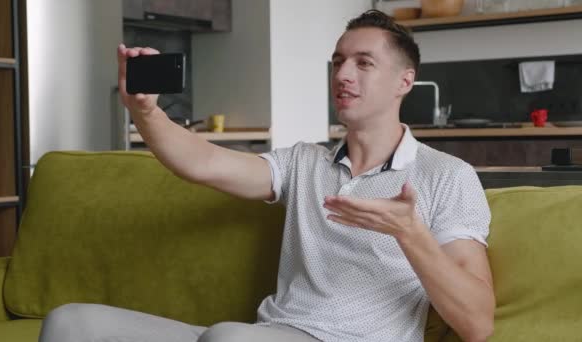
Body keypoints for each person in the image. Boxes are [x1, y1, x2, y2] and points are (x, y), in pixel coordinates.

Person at [39, 9, 494, 342]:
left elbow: (477, 322)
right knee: (70, 323)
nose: (343, 74)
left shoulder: (447, 176)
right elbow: (204, 163)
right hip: (268, 334)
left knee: (228, 340)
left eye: (364, 63)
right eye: (338, 61)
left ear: (404, 81)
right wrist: (145, 111)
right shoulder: (304, 163)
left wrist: (409, 232)